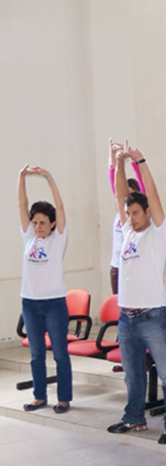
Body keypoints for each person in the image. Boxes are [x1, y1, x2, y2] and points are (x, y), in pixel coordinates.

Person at [107, 144, 166, 444]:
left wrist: (139, 161)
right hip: (126, 315)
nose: (131, 216)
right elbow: (118, 195)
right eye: (128, 212)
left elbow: (152, 193)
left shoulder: (158, 232)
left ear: (148, 212)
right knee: (133, 374)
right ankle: (134, 417)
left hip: (152, 315)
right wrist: (118, 164)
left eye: (136, 212)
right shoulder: (127, 230)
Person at [18, 165, 72, 414]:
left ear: (52, 224)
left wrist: (50, 178)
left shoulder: (58, 238)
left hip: (53, 303)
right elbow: (21, 205)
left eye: (43, 222)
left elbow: (60, 209)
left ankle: (64, 398)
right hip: (30, 302)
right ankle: (40, 396)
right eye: (35, 221)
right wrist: (21, 178)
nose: (38, 226)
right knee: (36, 353)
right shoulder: (29, 237)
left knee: (60, 353)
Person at [108, 139, 145, 296]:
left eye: (131, 195)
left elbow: (144, 186)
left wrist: (134, 162)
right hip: (117, 265)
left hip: (135, 264)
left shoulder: (140, 215)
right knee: (117, 305)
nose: (127, 199)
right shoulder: (121, 214)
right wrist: (113, 157)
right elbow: (114, 181)